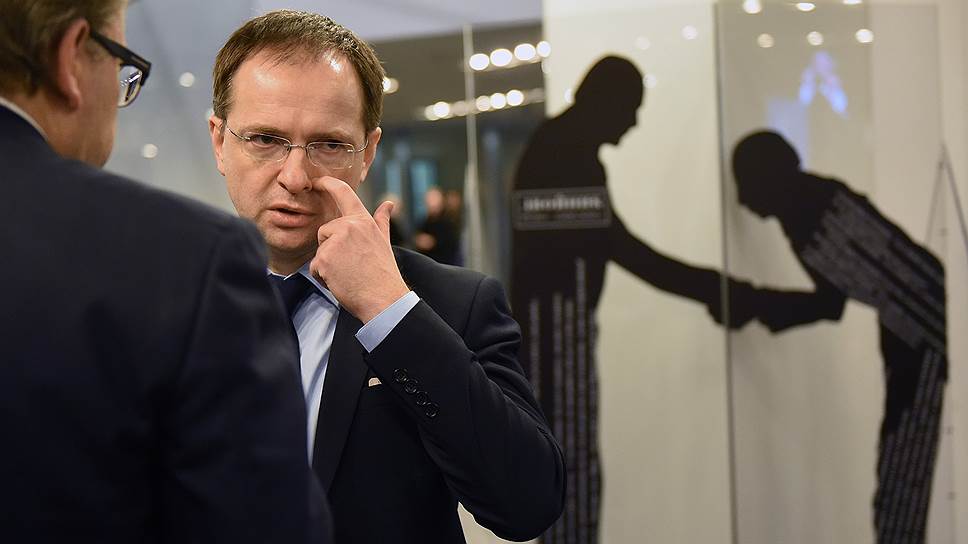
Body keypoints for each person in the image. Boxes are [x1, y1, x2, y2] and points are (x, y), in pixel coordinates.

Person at [206, 10, 565, 543]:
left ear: (368, 153)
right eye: (265, 139)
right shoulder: (162, 303)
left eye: (329, 145)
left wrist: (390, 310)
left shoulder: (450, 302)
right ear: (220, 142)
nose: (295, 176)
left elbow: (528, 502)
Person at [0, 1, 329, 542]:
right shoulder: (187, 263)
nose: (295, 177)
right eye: (121, 64)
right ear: (69, 57)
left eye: (328, 144)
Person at [510, 55, 754, 544]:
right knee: (571, 462)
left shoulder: (561, 147)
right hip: (558, 333)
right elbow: (621, 247)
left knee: (571, 461)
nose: (635, 121)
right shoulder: (565, 153)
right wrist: (715, 288)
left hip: (556, 331)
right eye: (631, 108)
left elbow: (612, 244)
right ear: (607, 102)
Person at [731, 130, 947, 544]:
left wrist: (759, 304)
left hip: (919, 328)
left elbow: (832, 302)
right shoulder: (811, 204)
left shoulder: (810, 210)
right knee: (900, 472)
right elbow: (836, 299)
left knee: (902, 471)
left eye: (746, 183)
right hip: (913, 326)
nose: (742, 200)